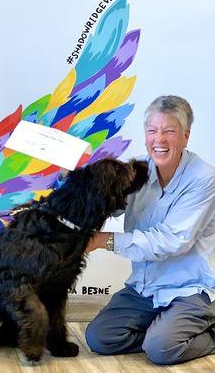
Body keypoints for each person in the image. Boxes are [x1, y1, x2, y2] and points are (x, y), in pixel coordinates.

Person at [85, 95, 215, 365]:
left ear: (186, 136)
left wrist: (102, 240)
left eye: (169, 131)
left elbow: (171, 241)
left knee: (161, 349)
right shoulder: (136, 172)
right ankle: (163, 331)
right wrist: (76, 185)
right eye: (152, 131)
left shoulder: (204, 179)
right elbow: (106, 204)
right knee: (100, 338)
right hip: (145, 290)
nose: (160, 140)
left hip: (189, 289)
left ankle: (197, 331)